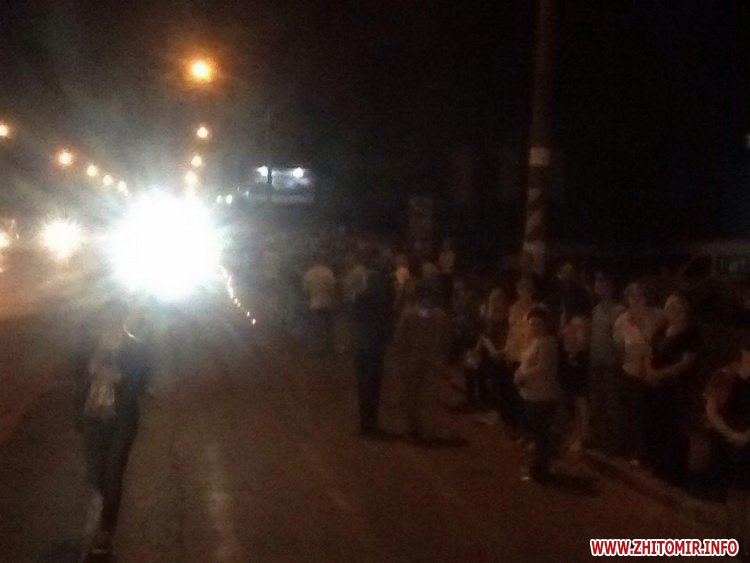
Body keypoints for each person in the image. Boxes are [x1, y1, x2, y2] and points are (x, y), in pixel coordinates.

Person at [74, 301, 151, 556]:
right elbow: (75, 374)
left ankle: (105, 530)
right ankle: (108, 505)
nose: (111, 322)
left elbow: (140, 383)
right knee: (95, 474)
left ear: (124, 319)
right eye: (106, 318)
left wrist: (114, 375)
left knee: (112, 475)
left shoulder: (135, 348)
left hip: (121, 420)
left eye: (116, 317)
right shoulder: (89, 345)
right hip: (92, 417)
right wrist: (89, 368)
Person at [643, 294, 701, 482]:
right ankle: (656, 464)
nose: (673, 312)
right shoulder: (662, 330)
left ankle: (673, 471)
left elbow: (686, 363)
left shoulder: (690, 333)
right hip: (655, 386)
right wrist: (649, 370)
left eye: (677, 309)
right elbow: (650, 352)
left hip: (675, 388)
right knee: (655, 423)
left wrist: (661, 374)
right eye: (670, 308)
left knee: (672, 427)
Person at [706, 344, 750, 560]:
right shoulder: (725, 376)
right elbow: (711, 409)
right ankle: (734, 540)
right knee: (734, 494)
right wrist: (730, 433)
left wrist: (746, 435)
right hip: (728, 443)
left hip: (745, 442)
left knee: (743, 496)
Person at [612, 282, 664, 467]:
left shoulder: (657, 316)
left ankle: (649, 451)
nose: (636, 300)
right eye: (632, 296)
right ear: (627, 299)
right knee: (633, 413)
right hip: (631, 372)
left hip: (651, 372)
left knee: (649, 413)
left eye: (640, 295)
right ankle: (634, 451)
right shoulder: (621, 322)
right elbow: (619, 349)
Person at [395, 282, 451, 443]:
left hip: (413, 359)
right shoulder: (441, 316)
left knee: (412, 395)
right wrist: (444, 359)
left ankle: (412, 429)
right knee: (430, 398)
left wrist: (401, 360)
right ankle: (428, 431)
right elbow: (447, 340)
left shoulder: (408, 315)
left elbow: (400, 339)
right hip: (433, 360)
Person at [514, 306, 560, 482]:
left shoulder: (547, 342)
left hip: (542, 394)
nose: (534, 327)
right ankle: (538, 467)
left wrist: (523, 375)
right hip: (533, 392)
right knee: (537, 433)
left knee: (541, 434)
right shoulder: (536, 341)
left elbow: (543, 367)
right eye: (532, 324)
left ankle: (540, 469)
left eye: (538, 324)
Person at [352, 249, 394, 438]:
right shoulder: (383, 300)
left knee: (362, 386)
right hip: (376, 347)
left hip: (361, 346)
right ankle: (373, 422)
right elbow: (387, 323)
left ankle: (365, 424)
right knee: (374, 386)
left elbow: (354, 320)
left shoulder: (360, 298)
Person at [588, 273, 625, 450]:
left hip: (612, 363)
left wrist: (619, 360)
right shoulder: (595, 309)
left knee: (612, 402)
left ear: (610, 286)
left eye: (601, 282)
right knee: (596, 402)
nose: (598, 286)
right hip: (595, 361)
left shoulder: (619, 310)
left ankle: (615, 442)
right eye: (597, 282)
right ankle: (600, 439)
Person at [497, 277, 539, 431]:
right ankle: (512, 422)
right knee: (511, 391)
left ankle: (525, 426)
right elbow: (511, 332)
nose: (523, 293)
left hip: (527, 356)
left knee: (524, 393)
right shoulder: (514, 308)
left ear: (532, 292)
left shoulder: (536, 310)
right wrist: (506, 350)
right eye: (521, 290)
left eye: (527, 290)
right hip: (513, 354)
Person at [303, 254, 337, 355]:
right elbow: (332, 288)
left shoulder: (309, 273)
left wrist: (308, 299)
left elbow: (305, 290)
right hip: (327, 302)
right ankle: (328, 348)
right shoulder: (328, 272)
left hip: (314, 304)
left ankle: (316, 348)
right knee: (328, 327)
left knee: (316, 327)